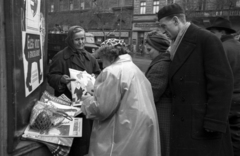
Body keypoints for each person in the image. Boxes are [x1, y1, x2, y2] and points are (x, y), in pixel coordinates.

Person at [157, 3, 234, 156]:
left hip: (201, 124)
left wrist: (214, 121)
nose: (162, 31)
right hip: (186, 121)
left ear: (175, 20)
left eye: (163, 26)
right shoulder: (177, 43)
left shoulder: (206, 39)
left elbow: (222, 83)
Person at [81, 38, 161, 156]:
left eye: (102, 59)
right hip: (138, 124)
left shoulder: (112, 71)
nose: (102, 63)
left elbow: (102, 109)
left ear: (108, 56)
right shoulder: (134, 68)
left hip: (122, 128)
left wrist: (86, 101)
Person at [47, 25, 100, 156]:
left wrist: (95, 78)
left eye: (82, 38)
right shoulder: (60, 57)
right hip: (67, 106)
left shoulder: (90, 57)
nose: (81, 42)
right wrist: (61, 79)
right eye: (77, 39)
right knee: (67, 141)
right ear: (70, 40)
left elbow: (98, 74)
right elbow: (50, 77)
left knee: (83, 142)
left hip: (85, 106)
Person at [206, 17, 240, 156]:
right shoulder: (237, 46)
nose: (211, 36)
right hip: (237, 99)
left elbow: (216, 80)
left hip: (228, 101)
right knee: (236, 135)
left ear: (222, 32)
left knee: (226, 139)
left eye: (213, 32)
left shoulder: (221, 49)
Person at [144, 31, 171, 156]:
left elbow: (151, 95)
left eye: (149, 50)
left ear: (159, 49)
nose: (147, 52)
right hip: (162, 114)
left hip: (161, 115)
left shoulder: (161, 65)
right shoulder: (162, 62)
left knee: (161, 148)